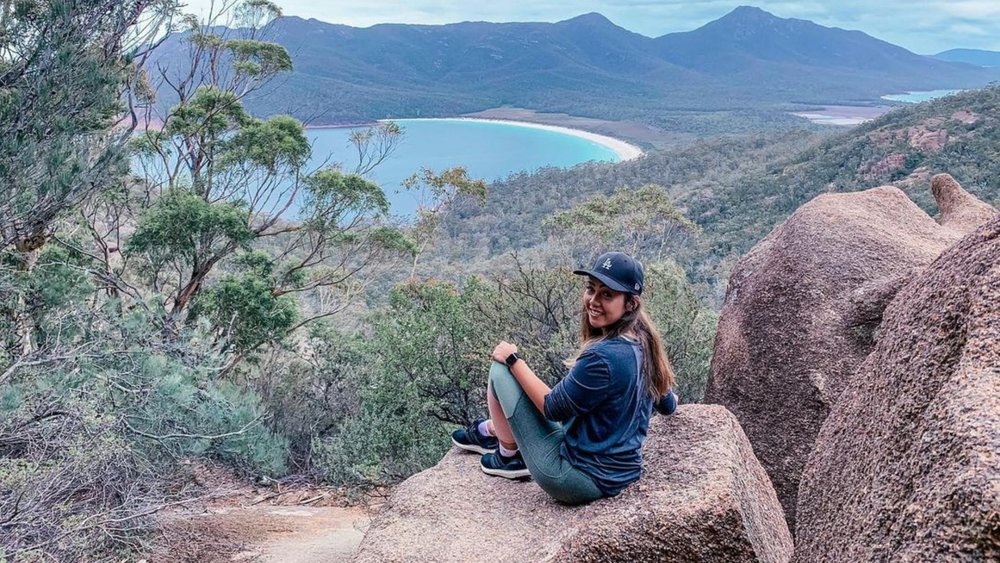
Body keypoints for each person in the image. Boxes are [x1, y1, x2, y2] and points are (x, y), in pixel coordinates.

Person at [451, 251, 679, 504]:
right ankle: (495, 429)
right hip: (621, 472)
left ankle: (508, 456)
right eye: (591, 288)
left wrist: (514, 360)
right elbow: (668, 404)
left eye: (607, 294)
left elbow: (552, 408)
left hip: (576, 478)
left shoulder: (602, 357)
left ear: (631, 304)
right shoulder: (644, 342)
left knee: (500, 369)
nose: (593, 300)